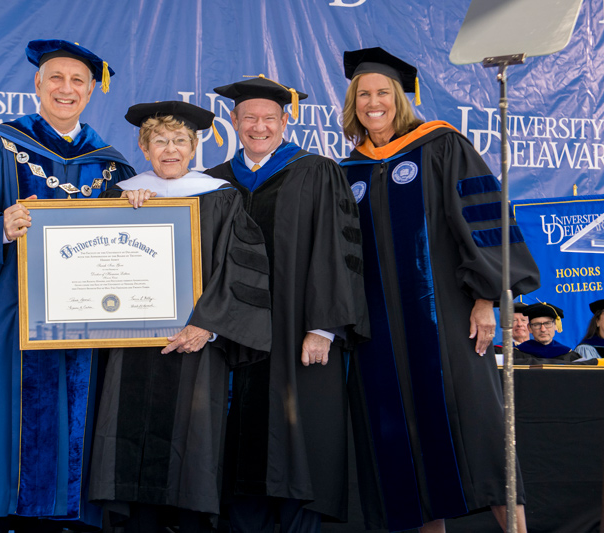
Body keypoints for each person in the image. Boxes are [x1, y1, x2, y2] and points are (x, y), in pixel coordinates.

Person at [0, 39, 135, 533]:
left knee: (78, 444)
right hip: (7, 320)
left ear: (90, 92)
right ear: (37, 84)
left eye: (78, 81)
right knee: (0, 450)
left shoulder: (112, 167)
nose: (67, 89)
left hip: (84, 329)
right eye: (56, 79)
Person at [338, 47, 539, 533]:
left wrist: (487, 299)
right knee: (402, 445)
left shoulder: (442, 146)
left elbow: (483, 219)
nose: (373, 102)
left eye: (382, 92)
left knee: (480, 430)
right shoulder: (349, 170)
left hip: (449, 319)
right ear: (352, 104)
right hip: (379, 332)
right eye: (363, 94)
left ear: (400, 97)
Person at [88, 101, 271, 533]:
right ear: (145, 148)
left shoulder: (220, 198)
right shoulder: (123, 196)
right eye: (160, 142)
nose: (170, 150)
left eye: (180, 141)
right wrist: (120, 213)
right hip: (132, 347)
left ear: (193, 147)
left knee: (193, 456)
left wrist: (207, 325)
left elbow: (242, 269)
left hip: (196, 345)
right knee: (128, 457)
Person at [205, 76, 370, 532]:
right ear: (233, 121)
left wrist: (324, 326)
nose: (260, 126)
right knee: (236, 445)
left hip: (299, 333)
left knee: (300, 446)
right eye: (250, 118)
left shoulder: (317, 171)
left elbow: (339, 251)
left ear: (285, 121)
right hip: (232, 338)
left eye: (270, 118)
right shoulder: (213, 183)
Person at [514, 303, 581, 363]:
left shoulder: (569, 355)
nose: (543, 329)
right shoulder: (517, 354)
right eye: (537, 325)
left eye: (547, 323)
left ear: (555, 326)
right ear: (529, 328)